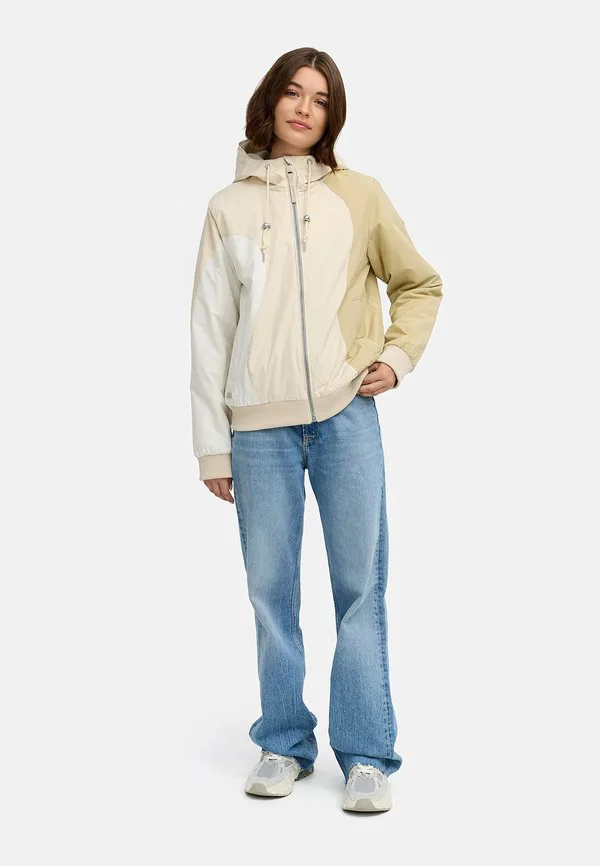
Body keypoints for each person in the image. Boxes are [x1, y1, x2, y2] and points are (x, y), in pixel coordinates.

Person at [190, 47, 443, 813]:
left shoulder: (359, 195)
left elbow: (418, 283)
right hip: (258, 431)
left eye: (322, 99)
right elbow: (209, 330)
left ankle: (366, 754)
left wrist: (395, 357)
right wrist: (212, 444)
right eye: (294, 93)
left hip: (345, 415)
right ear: (269, 100)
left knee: (360, 588)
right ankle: (282, 742)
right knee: (270, 591)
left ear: (333, 115)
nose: (305, 108)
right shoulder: (228, 207)